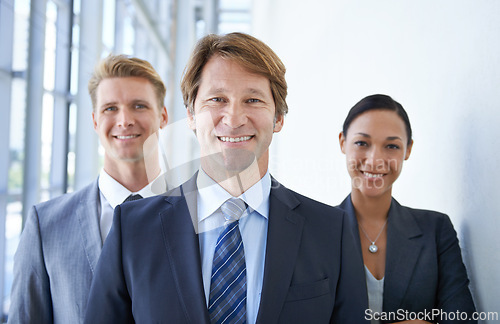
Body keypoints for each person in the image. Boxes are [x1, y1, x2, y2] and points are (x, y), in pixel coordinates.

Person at [83, 32, 367, 324]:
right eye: (217, 99)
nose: (233, 119)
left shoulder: (332, 232)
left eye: (253, 100)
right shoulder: (132, 230)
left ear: (278, 118)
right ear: (191, 115)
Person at [8, 54, 169, 324]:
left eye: (139, 106)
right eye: (110, 109)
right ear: (95, 121)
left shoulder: (197, 218)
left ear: (163, 116)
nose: (125, 120)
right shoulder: (45, 225)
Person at [338, 94, 476, 323]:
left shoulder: (436, 230)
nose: (375, 160)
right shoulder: (315, 230)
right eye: (362, 143)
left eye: (391, 146)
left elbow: (463, 319)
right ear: (343, 142)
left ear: (408, 150)